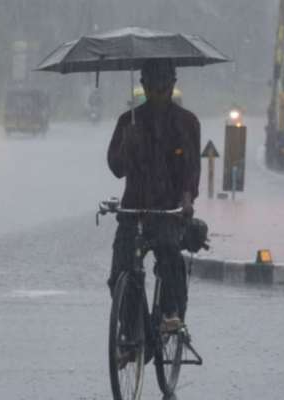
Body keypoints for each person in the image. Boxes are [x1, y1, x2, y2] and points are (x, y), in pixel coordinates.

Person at [107, 59, 201, 332]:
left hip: (168, 210)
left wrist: (186, 200)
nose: (158, 95)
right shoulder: (128, 121)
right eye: (152, 88)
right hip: (133, 209)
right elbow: (116, 168)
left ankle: (169, 312)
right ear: (143, 86)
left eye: (164, 88)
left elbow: (191, 170)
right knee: (120, 273)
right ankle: (131, 330)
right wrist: (128, 143)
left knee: (170, 255)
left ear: (172, 85)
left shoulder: (187, 123)